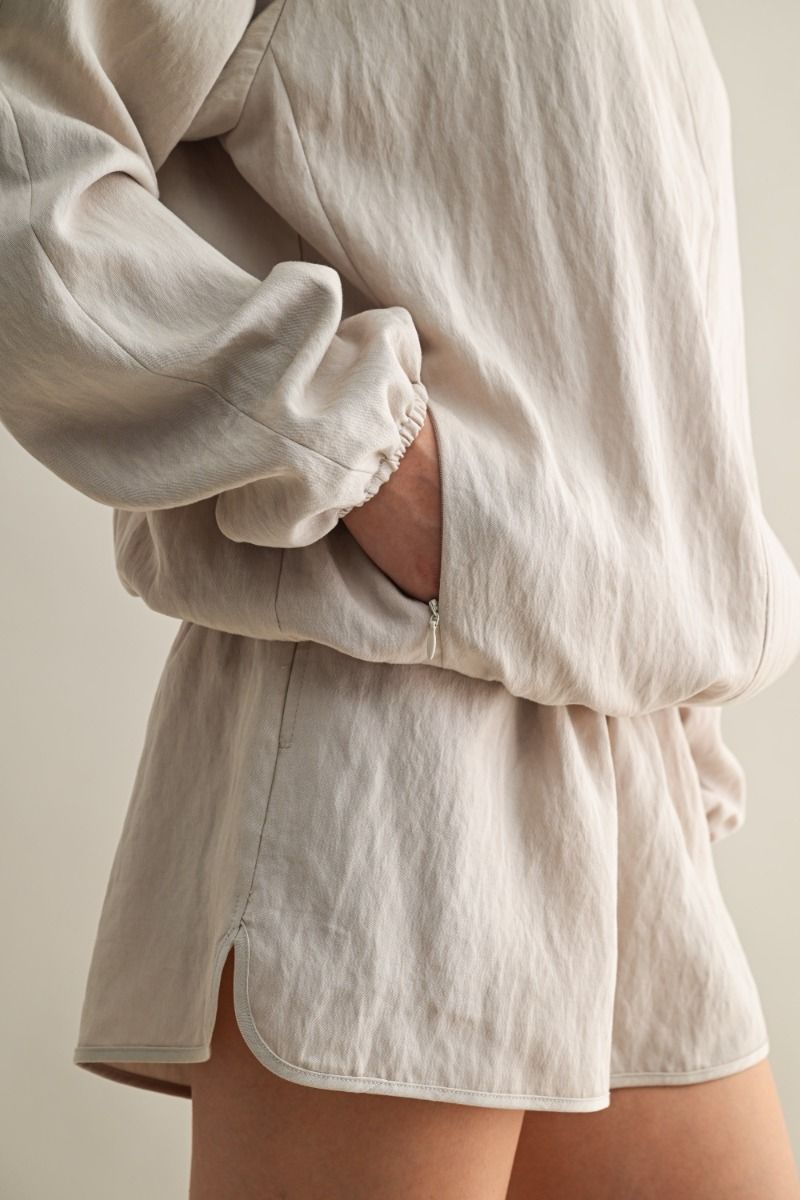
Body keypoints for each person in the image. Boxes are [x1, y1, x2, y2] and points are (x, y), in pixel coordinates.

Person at [1, 0, 799, 1196]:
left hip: (618, 765)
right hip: (393, 735)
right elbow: (26, 156)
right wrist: (375, 460)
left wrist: (674, 718)